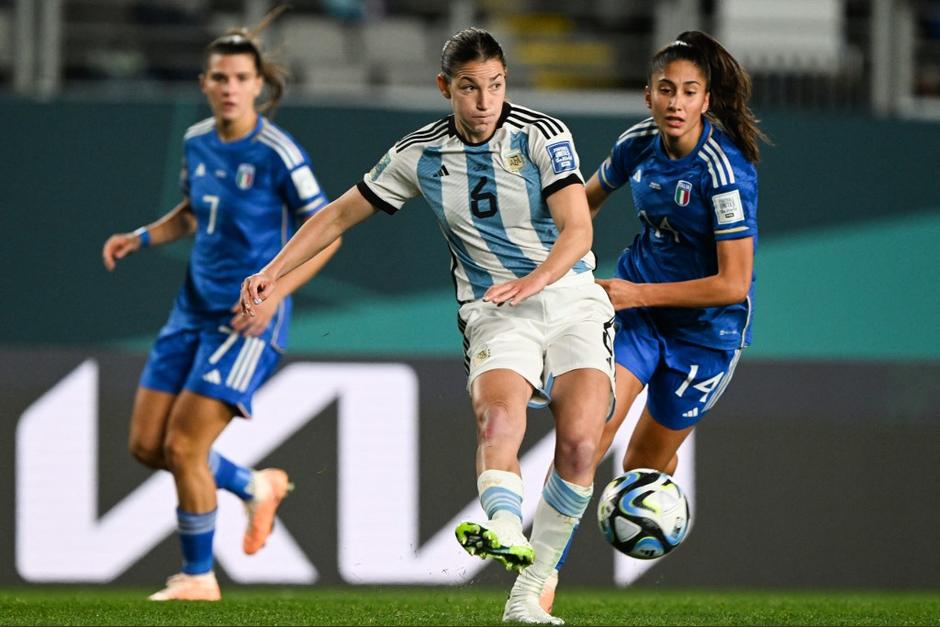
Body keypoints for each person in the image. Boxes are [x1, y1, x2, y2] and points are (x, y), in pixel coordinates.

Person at [240, 27, 614, 625]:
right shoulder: (419, 153)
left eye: (494, 86)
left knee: (580, 443)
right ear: (446, 88)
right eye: (469, 88)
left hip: (568, 293)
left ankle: (528, 595)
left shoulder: (544, 135)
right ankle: (500, 526)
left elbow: (578, 229)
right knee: (497, 415)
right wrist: (272, 269)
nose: (484, 101)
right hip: (493, 306)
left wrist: (536, 279)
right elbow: (338, 214)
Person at [101, 8, 341, 601]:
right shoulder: (197, 141)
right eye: (219, 77)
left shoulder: (278, 152)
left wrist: (275, 293)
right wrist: (144, 236)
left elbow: (329, 232)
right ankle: (256, 487)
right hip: (190, 311)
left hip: (246, 319)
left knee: (184, 447)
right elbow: (191, 212)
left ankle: (198, 577)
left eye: (240, 77)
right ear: (205, 84)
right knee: (147, 447)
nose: (229, 87)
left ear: (258, 85)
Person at [538, 30, 767, 612]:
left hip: (705, 335)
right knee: (586, 438)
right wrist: (544, 250)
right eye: (666, 89)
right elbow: (582, 201)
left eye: (689, 91)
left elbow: (733, 283)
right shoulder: (637, 144)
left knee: (641, 467)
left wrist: (638, 293)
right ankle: (541, 580)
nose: (675, 101)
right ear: (647, 96)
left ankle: (648, 516)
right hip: (638, 320)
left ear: (705, 102)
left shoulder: (723, 170)